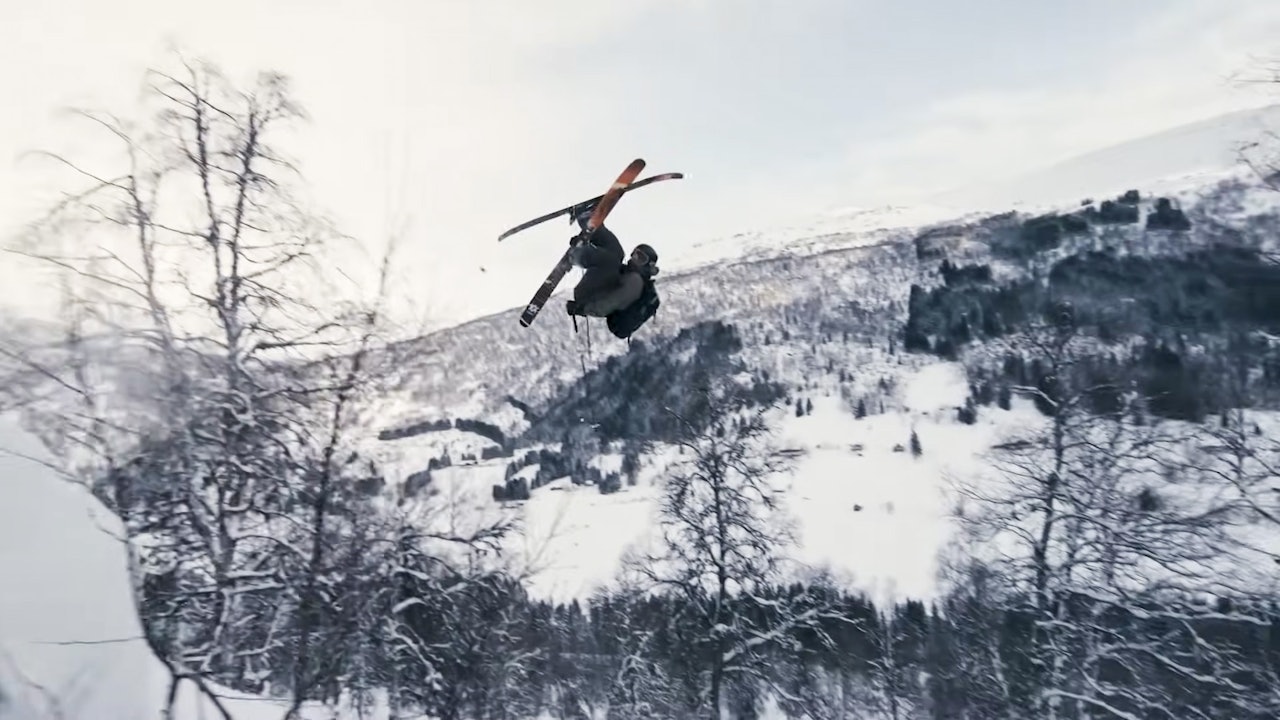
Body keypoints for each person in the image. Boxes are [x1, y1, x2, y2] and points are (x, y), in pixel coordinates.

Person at [564, 208, 659, 318]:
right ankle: (588, 221)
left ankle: (574, 255)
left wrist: (583, 309)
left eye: (640, 258)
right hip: (594, 294)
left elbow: (612, 302)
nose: (634, 258)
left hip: (589, 300)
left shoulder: (635, 281)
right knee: (617, 253)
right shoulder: (630, 274)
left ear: (648, 266)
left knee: (611, 261)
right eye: (635, 254)